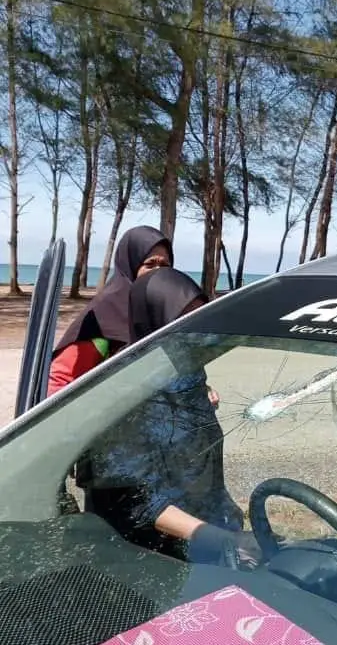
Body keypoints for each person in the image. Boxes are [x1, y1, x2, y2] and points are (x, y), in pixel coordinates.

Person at [81, 268, 257, 566]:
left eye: (202, 316)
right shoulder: (121, 394)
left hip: (214, 539)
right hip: (155, 562)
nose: (197, 329)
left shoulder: (187, 377)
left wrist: (231, 529)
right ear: (153, 319)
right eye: (184, 318)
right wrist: (225, 540)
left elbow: (203, 474)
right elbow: (139, 504)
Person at [47, 226, 173, 396]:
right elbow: (60, 381)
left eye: (165, 265)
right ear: (130, 266)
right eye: (150, 264)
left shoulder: (164, 313)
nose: (159, 272)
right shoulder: (103, 316)